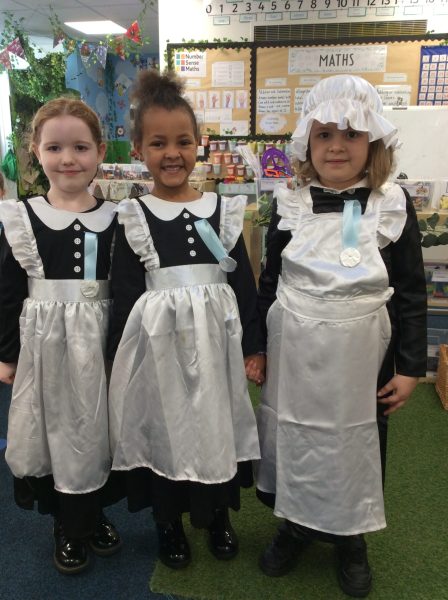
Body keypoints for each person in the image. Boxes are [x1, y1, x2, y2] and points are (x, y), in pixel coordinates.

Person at [255, 75, 427, 597]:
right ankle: (296, 525)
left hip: (363, 357)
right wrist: (257, 347)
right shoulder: (290, 202)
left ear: (373, 141)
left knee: (356, 442)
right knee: (297, 437)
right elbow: (270, 278)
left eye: (351, 135)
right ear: (307, 141)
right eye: (324, 134)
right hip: (296, 350)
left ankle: (352, 537)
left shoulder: (391, 204)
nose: (336, 146)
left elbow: (411, 291)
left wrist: (410, 366)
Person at [107, 70, 263, 569]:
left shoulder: (222, 211)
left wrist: (253, 347)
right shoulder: (134, 217)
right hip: (159, 351)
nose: (171, 153)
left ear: (200, 145)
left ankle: (217, 515)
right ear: (139, 149)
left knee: (217, 426)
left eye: (182, 141)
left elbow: (243, 283)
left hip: (216, 347)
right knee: (167, 428)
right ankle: (168, 521)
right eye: (158, 143)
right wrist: (118, 360)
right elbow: (125, 293)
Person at [0, 98, 122, 575]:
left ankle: (93, 513)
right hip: (46, 344)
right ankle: (65, 523)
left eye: (80, 147)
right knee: (55, 430)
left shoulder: (119, 218)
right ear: (35, 150)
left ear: (100, 151)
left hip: (101, 341)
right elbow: (8, 291)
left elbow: (128, 288)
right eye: (54, 148)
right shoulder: (22, 218)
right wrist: (8, 355)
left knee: (99, 427)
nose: (68, 159)